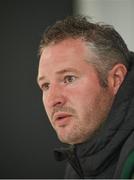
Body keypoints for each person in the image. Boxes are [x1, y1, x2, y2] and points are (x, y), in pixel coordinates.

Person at [37, 16, 134, 179]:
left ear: (116, 79)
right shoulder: (77, 164)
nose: (53, 100)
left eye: (69, 78)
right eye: (46, 86)